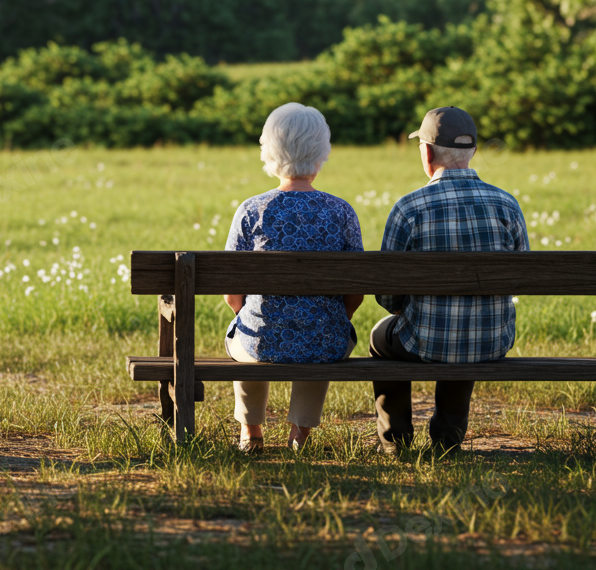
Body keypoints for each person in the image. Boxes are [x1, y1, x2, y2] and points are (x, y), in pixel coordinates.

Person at [371, 106, 528, 454]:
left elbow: (387, 293)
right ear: (472, 152)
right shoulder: (507, 205)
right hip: (492, 341)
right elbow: (518, 279)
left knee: (380, 337)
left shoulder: (408, 208)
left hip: (423, 342)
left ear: (426, 153)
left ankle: (394, 441)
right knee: (468, 331)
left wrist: (402, 308)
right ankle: (447, 438)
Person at [223, 103, 365, 453]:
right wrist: (332, 319)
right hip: (326, 342)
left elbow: (231, 293)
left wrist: (253, 314)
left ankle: (250, 432)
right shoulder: (341, 211)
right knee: (321, 331)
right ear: (321, 152)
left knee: (245, 326)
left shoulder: (251, 210)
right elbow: (356, 291)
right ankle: (300, 436)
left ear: (269, 151)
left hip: (261, 341)